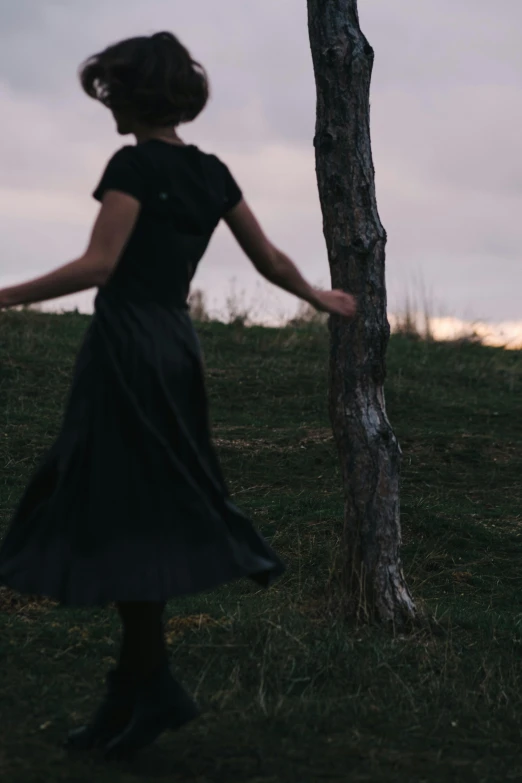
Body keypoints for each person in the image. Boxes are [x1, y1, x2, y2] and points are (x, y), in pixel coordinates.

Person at [0, 31, 357, 760]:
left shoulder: (132, 164)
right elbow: (270, 259)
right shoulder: (212, 172)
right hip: (175, 345)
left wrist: (3, 295)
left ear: (131, 99)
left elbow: (102, 264)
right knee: (141, 507)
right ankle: (137, 687)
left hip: (128, 345)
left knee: (115, 502)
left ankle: (144, 685)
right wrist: (316, 295)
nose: (108, 112)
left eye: (112, 97)